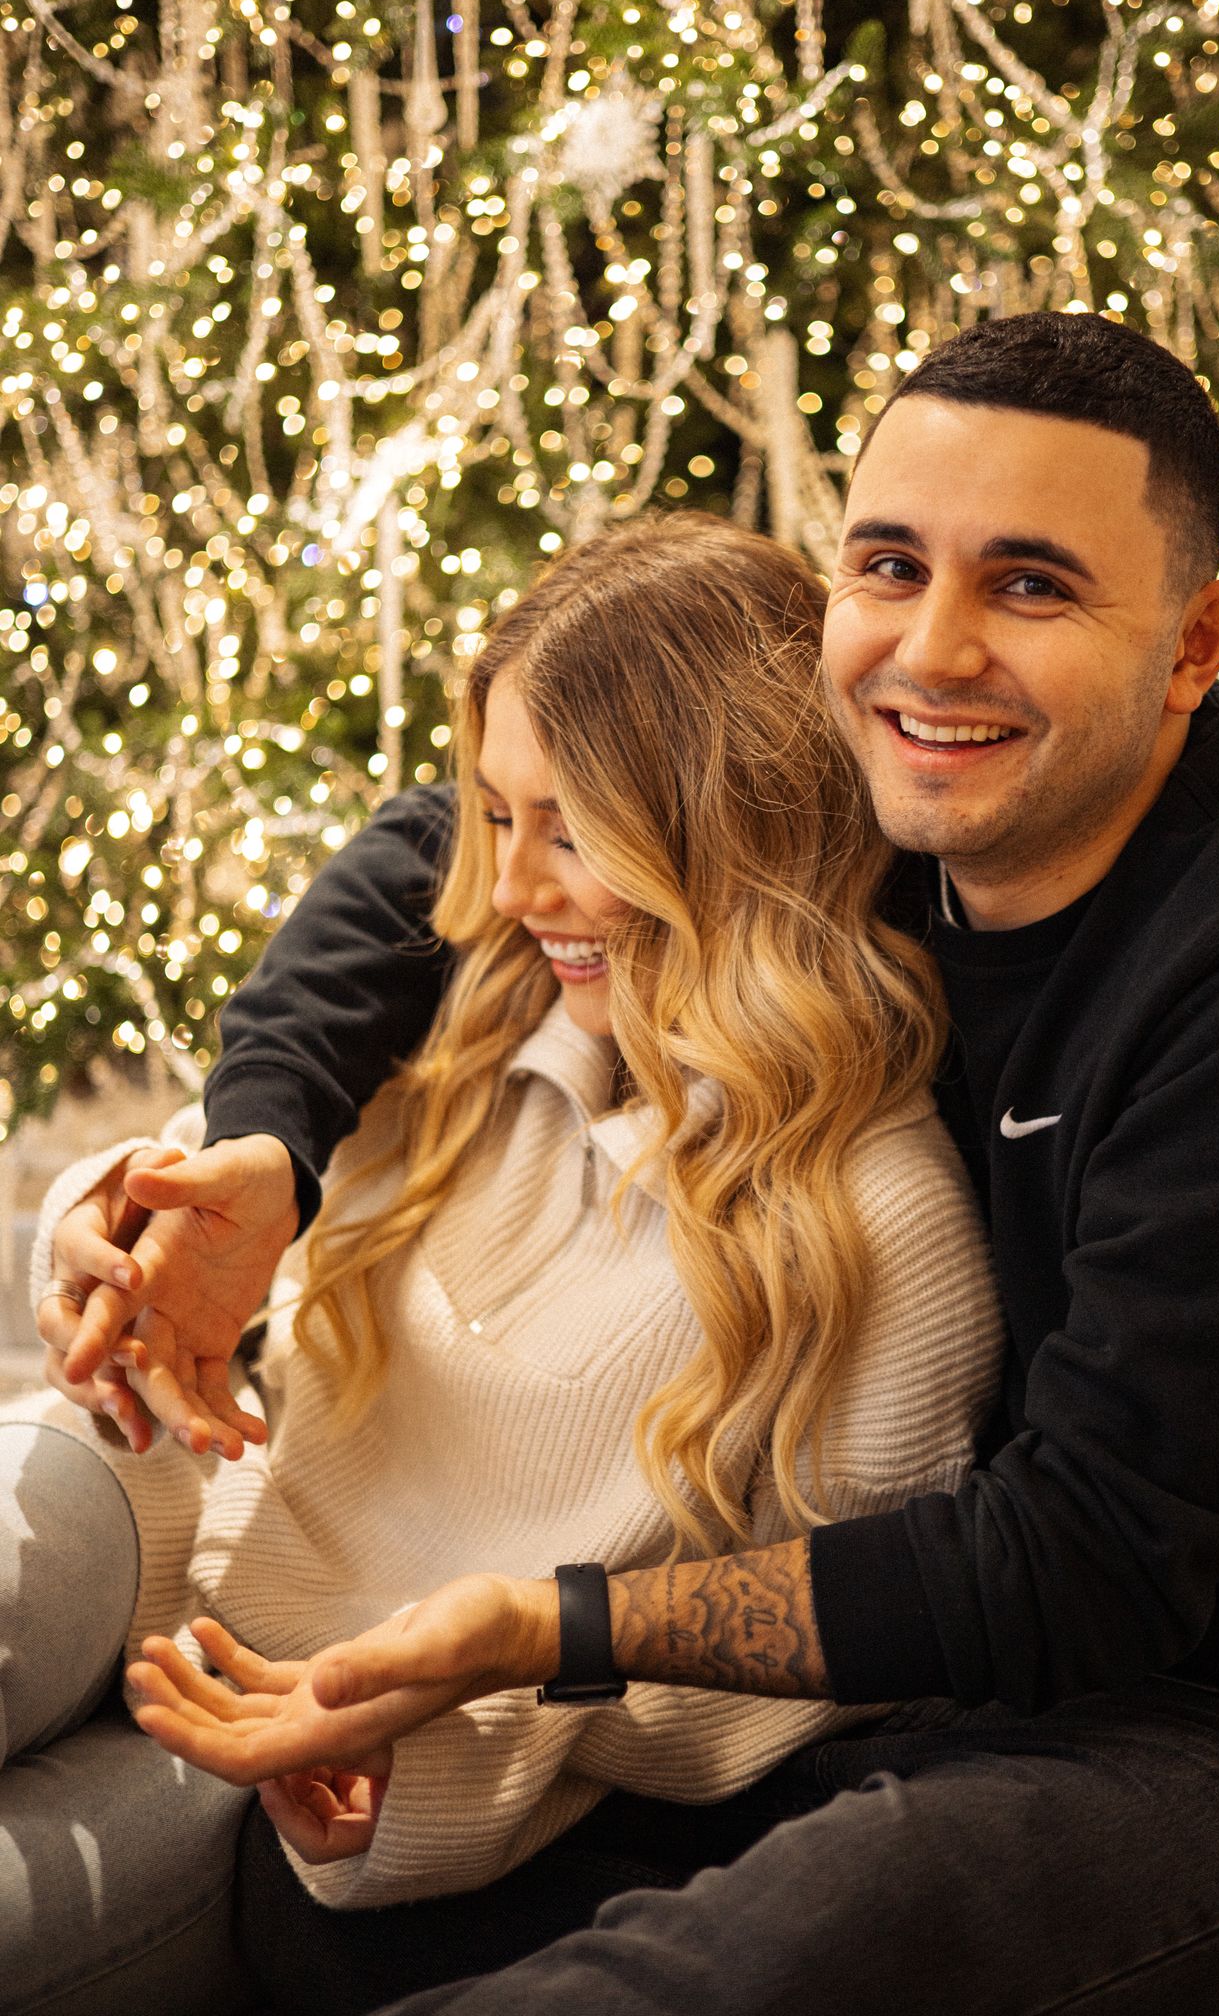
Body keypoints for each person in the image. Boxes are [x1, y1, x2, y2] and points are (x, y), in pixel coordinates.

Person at [49, 311, 1219, 2015]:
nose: (935, 649)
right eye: (889, 565)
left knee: (730, 1964)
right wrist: (268, 1142)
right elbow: (448, 834)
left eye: (1032, 585)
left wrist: (545, 1625)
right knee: (356, 1919)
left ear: (1198, 639)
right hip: (930, 1688)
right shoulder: (898, 770)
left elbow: (1093, 1564)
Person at [10, 518, 1003, 2015]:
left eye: (572, 830)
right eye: (492, 815)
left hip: (306, 1716)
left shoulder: (886, 1221)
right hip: (149, 1498)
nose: (512, 885)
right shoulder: (473, 1009)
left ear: (727, 829)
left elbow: (804, 1666)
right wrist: (117, 1233)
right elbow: (225, 1185)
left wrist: (440, 1759)